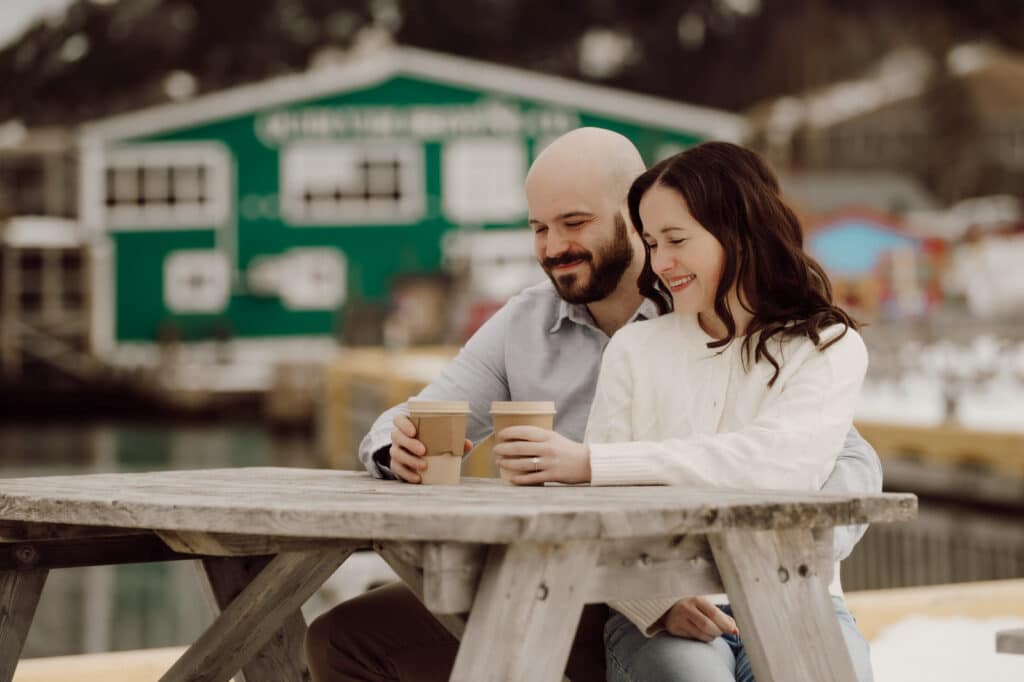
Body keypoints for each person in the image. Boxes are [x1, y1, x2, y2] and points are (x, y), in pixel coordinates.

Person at [304, 129, 883, 682]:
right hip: (579, 585)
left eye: (573, 223)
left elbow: (831, 463)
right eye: (538, 229)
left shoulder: (732, 315)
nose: (554, 248)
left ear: (637, 216)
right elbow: (420, 414)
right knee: (343, 637)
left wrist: (751, 576)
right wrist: (393, 446)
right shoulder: (526, 324)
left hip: (717, 583)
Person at [493, 141, 874, 681]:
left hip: (799, 598)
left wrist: (595, 463)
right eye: (650, 243)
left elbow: (782, 470)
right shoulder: (635, 348)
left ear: (741, 232)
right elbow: (593, 522)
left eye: (676, 240)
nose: (660, 263)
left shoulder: (826, 347)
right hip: (656, 609)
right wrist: (657, 604)